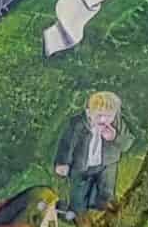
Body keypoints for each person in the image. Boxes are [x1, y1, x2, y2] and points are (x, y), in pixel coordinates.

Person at [54, 90, 133, 219]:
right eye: (99, 115)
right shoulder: (77, 123)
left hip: (107, 164)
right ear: (89, 112)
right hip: (81, 165)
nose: (103, 120)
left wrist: (114, 137)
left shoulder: (117, 123)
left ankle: (106, 207)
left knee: (106, 190)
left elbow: (127, 143)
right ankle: (79, 213)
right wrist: (63, 163)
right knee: (79, 194)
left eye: (108, 116)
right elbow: (67, 144)